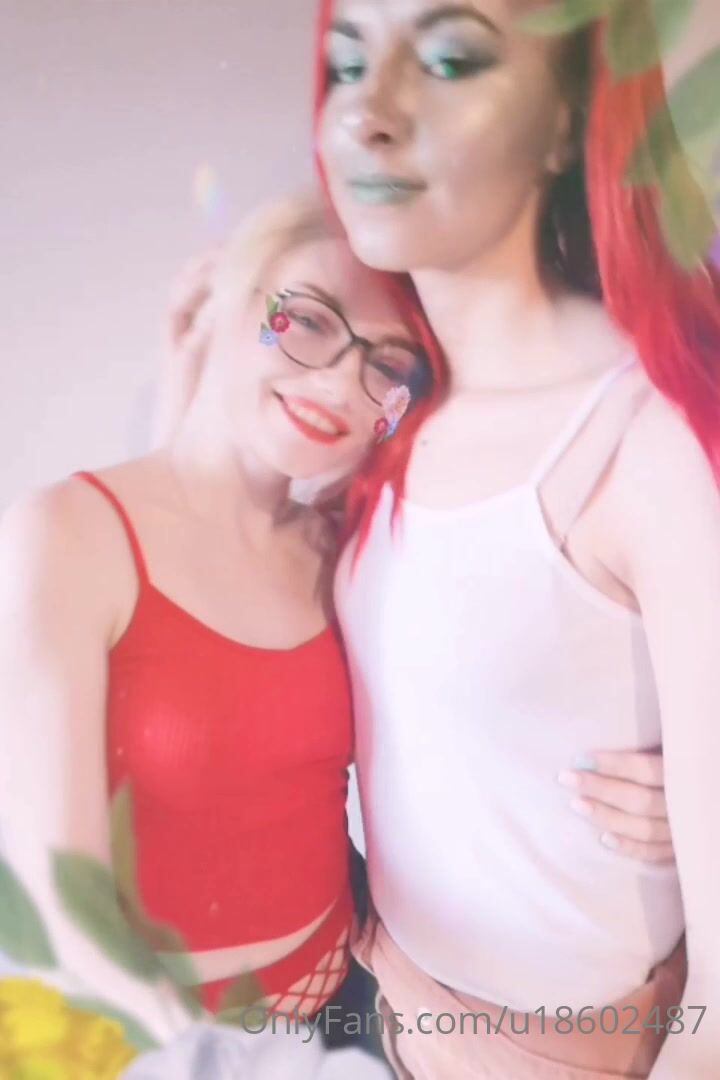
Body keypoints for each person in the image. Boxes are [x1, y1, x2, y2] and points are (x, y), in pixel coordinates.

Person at [309, 0, 720, 1076]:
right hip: (392, 1013)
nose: (367, 112)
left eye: (449, 59)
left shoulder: (643, 439)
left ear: (565, 120)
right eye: (347, 63)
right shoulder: (382, 408)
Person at [0, 192, 435, 1045]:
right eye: (307, 320)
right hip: (144, 1041)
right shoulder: (64, 534)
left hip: (348, 1010)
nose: (339, 383)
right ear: (224, 299)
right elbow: (60, 897)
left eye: (388, 365)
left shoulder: (345, 550)